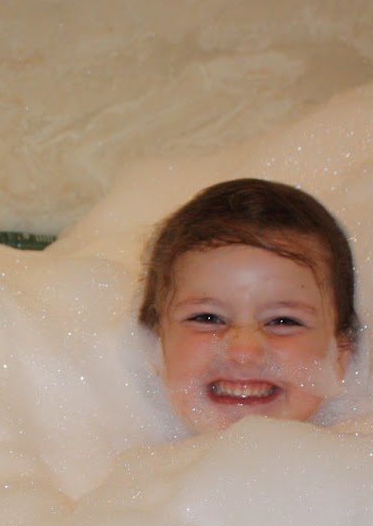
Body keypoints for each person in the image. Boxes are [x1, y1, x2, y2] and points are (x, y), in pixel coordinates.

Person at [138, 178, 359, 434]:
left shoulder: (370, 447)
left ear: (341, 354)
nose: (243, 351)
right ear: (155, 343)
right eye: (207, 318)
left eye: (283, 321)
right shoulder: (115, 448)